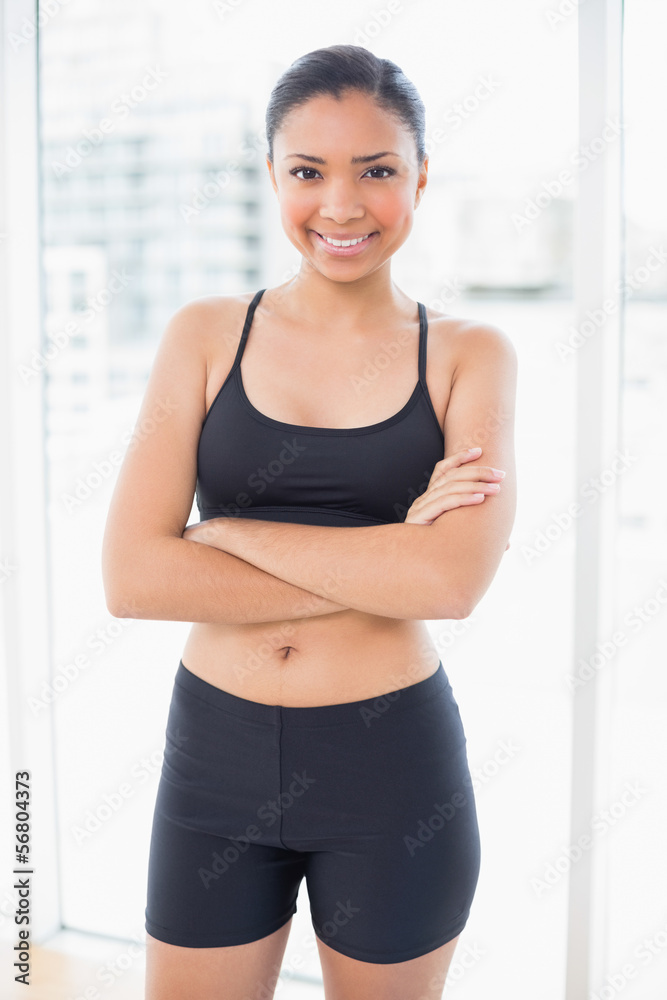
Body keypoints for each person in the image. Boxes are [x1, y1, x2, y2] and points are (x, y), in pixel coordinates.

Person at [102, 43, 517, 1000]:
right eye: (307, 171)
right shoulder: (206, 335)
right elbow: (133, 579)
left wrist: (226, 534)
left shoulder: (468, 356)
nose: (340, 206)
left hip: (392, 774)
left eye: (376, 170)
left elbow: (448, 583)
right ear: (270, 175)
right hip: (213, 761)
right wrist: (389, 553)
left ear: (419, 175)